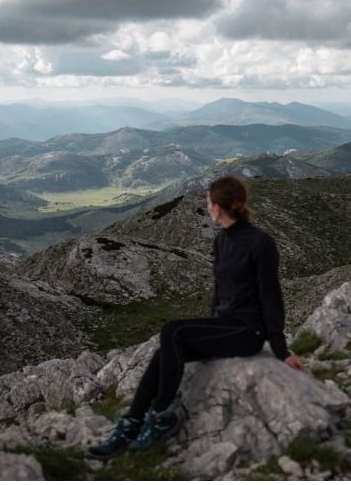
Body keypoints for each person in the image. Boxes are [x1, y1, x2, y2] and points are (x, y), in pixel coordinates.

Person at [86, 175, 306, 460]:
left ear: (217, 207)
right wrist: (209, 334)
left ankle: (162, 415)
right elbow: (220, 293)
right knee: (163, 352)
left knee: (172, 331)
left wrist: (280, 348)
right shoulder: (221, 242)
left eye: (208, 202)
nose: (207, 206)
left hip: (248, 332)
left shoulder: (260, 243)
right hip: (224, 326)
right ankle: (130, 425)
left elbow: (271, 296)